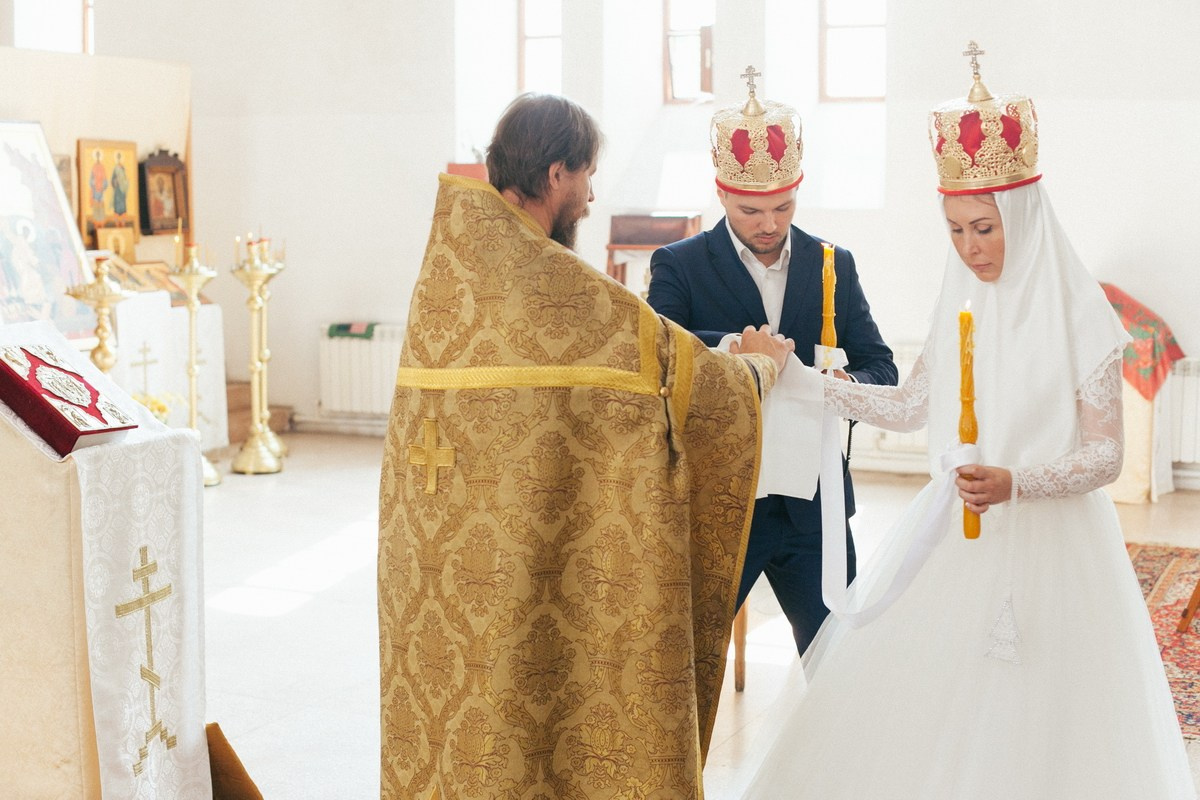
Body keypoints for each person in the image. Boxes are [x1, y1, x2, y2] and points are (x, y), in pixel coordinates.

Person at [738, 50, 1195, 799]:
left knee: (1051, 715)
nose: (970, 248)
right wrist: (805, 383)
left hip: (1057, 543)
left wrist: (1018, 481)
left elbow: (1106, 455)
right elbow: (912, 406)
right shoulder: (961, 301)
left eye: (984, 228)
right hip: (957, 529)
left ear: (1020, 214)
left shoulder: (1082, 314)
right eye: (954, 230)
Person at [377, 92, 796, 800]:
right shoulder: (555, 284)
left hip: (441, 567)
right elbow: (677, 376)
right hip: (517, 555)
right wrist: (757, 367)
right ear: (555, 176)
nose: (592, 194)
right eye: (587, 176)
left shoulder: (451, 269)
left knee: (472, 725)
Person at [647, 68, 897, 654]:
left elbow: (880, 368)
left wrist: (843, 383)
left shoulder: (832, 263)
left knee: (841, 660)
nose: (769, 225)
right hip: (722, 503)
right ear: (721, 193)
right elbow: (660, 357)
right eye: (750, 211)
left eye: (783, 207)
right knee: (689, 662)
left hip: (814, 506)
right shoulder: (678, 264)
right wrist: (738, 348)